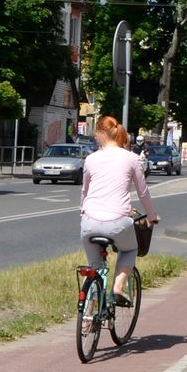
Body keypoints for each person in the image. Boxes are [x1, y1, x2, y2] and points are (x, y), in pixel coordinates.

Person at [80, 116, 159, 309]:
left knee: (95, 267)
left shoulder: (91, 159)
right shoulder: (132, 158)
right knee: (130, 249)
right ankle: (117, 287)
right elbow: (143, 192)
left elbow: (85, 191)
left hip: (89, 222)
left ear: (99, 134)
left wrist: (83, 212)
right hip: (117, 222)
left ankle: (87, 317)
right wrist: (151, 216)